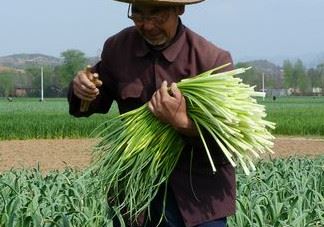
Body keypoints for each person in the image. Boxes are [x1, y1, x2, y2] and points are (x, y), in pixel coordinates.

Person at [68, 0, 236, 226]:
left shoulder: (212, 61)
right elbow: (91, 98)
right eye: (138, 15)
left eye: (157, 15)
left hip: (197, 201)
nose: (147, 25)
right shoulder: (118, 48)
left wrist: (183, 123)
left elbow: (229, 141)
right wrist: (82, 90)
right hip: (136, 199)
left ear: (179, 9)